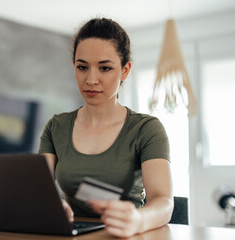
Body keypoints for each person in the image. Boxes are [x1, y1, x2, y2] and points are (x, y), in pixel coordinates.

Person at [38, 18, 173, 238]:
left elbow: (163, 201)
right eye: (82, 67)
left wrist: (138, 220)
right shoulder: (56, 126)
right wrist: (53, 206)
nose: (91, 79)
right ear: (74, 67)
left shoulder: (146, 129)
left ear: (125, 70)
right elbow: (40, 189)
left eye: (105, 68)